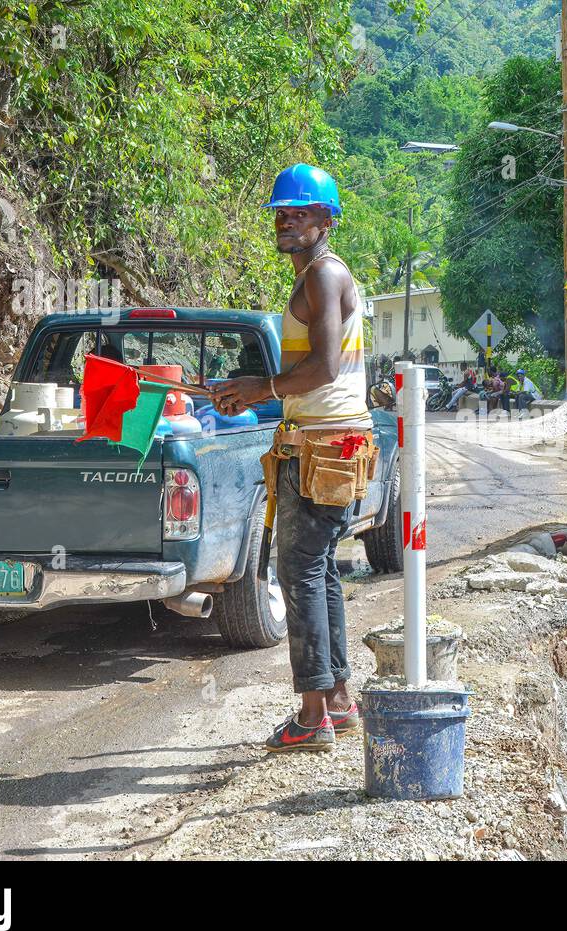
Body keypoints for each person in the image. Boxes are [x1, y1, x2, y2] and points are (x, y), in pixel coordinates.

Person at [210, 163, 371, 753]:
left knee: (297, 568)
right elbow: (312, 369)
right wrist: (259, 385)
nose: (286, 220)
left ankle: (311, 718)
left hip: (325, 441)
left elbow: (324, 369)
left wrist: (262, 389)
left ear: (327, 221)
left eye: (301, 212)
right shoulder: (314, 278)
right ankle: (339, 701)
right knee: (319, 567)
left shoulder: (324, 277)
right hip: (327, 438)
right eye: (281, 212)